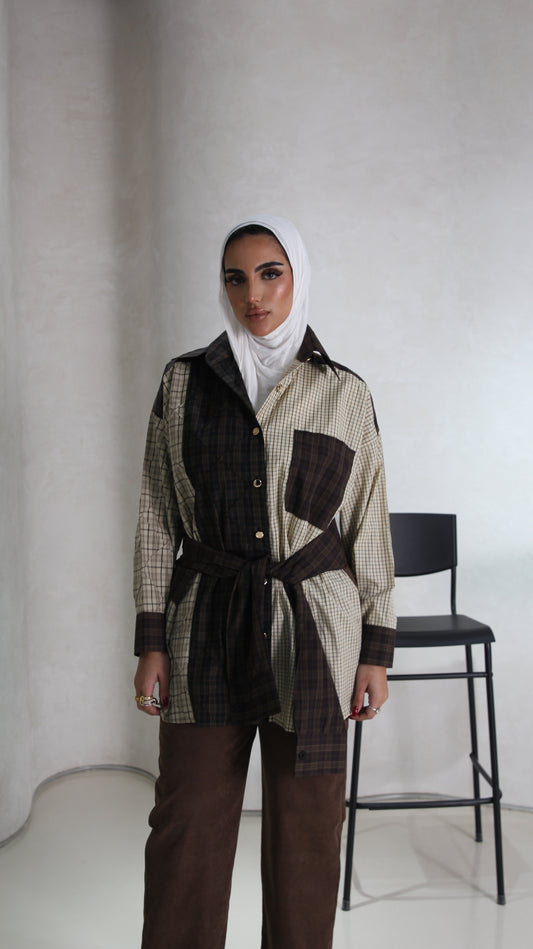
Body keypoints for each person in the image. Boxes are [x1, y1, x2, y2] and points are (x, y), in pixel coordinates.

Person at [133, 214, 396, 949]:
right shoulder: (183, 383)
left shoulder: (343, 392)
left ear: (297, 278)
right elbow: (156, 516)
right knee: (187, 822)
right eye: (236, 277)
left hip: (315, 632)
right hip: (204, 625)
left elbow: (369, 524)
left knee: (307, 831)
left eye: (270, 273)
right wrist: (150, 640)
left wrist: (375, 651)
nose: (254, 293)